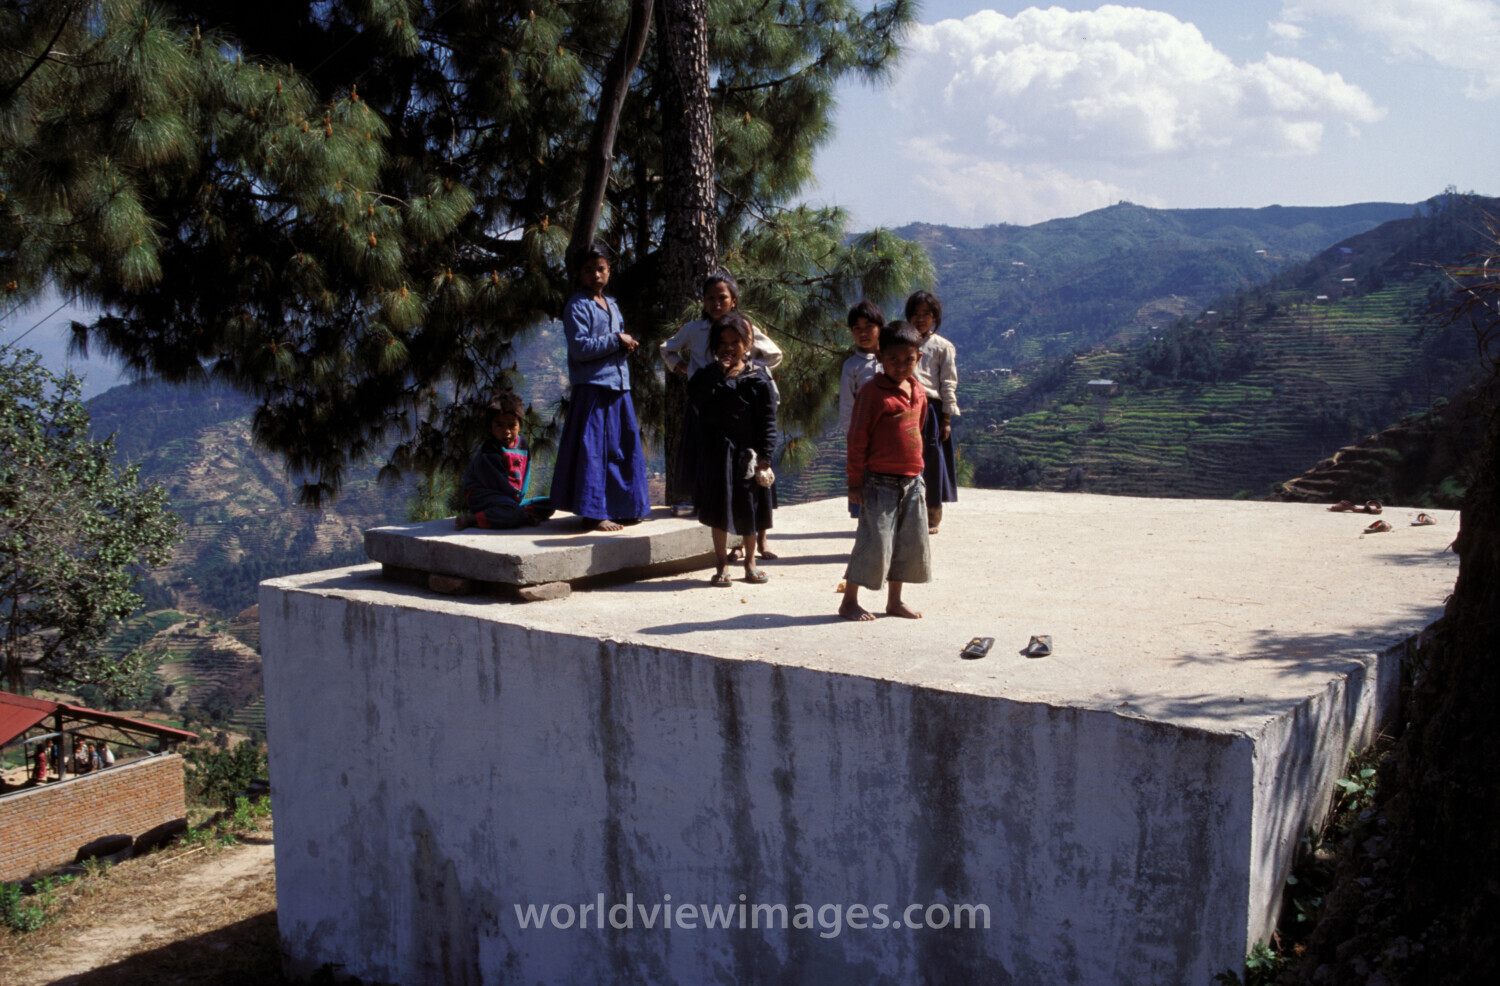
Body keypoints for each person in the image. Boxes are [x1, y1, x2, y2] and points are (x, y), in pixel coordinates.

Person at [660, 271, 783, 558]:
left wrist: (750, 368)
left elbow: (774, 354)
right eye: (710, 298)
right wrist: (686, 369)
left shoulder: (745, 327)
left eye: (722, 297)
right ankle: (731, 541)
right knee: (723, 479)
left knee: (754, 480)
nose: (716, 303)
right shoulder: (694, 330)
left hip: (745, 411)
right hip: (711, 407)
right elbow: (667, 349)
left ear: (734, 300)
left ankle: (761, 541)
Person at [549, 244, 652, 531]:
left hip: (618, 386)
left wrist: (624, 346)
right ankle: (594, 513)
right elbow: (580, 349)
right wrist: (617, 340)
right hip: (593, 388)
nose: (596, 275)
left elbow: (611, 345)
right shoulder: (577, 307)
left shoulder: (613, 305)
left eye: (601, 269)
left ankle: (624, 507)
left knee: (620, 449)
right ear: (579, 274)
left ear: (609, 270)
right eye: (589, 270)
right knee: (593, 451)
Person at [840, 320, 930, 622]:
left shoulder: (918, 392)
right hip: (879, 482)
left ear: (918, 357)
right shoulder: (871, 393)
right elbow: (857, 439)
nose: (901, 365)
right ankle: (849, 601)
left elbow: (918, 430)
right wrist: (855, 482)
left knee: (907, 543)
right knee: (873, 543)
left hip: (912, 481)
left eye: (908, 359)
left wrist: (918, 472)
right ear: (880, 357)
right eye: (893, 359)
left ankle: (894, 601)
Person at [688, 313, 778, 586]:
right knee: (719, 508)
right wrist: (718, 374)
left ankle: (750, 561)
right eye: (722, 342)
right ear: (714, 346)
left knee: (749, 507)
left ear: (747, 343)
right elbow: (697, 401)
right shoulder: (707, 376)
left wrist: (765, 456)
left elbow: (768, 420)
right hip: (717, 454)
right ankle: (721, 563)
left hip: (747, 456)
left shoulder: (758, 378)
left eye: (734, 342)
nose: (728, 348)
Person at [455, 393, 554, 530]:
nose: (506, 431)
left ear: (520, 425)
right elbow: (495, 481)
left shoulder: (523, 445)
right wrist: (513, 498)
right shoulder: (490, 449)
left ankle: (519, 513)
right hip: (483, 495)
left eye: (512, 425)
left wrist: (519, 497)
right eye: (500, 425)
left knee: (550, 504)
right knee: (513, 512)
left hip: (510, 498)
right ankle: (473, 519)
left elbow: (526, 473)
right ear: (490, 427)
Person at [906, 290, 960, 534]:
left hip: (931, 408)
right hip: (904, 404)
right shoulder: (903, 342)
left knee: (932, 460)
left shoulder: (942, 347)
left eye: (926, 314)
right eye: (915, 314)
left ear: (935, 317)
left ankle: (932, 513)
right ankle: (905, 513)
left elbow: (948, 383)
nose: (920, 319)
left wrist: (946, 418)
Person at [839, 300, 885, 518]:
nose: (863, 333)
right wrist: (853, 437)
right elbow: (847, 405)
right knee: (864, 482)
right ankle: (867, 528)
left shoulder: (892, 359)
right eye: (857, 328)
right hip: (863, 436)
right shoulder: (852, 366)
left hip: (891, 435)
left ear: (880, 327)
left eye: (868, 327)